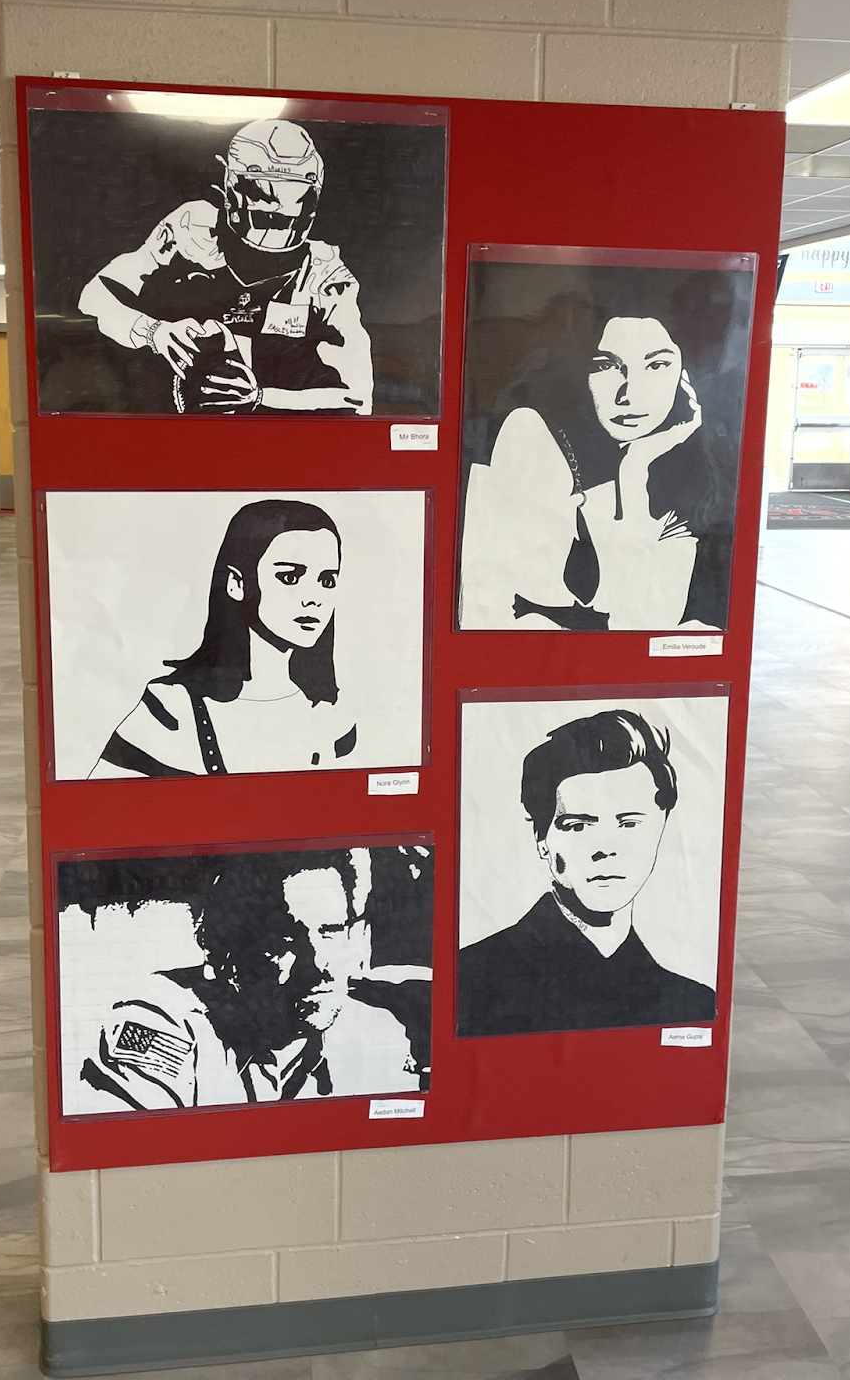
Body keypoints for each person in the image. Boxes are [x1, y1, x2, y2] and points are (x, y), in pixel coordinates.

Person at [81, 849, 431, 1110]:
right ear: (226, 949)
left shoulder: (376, 1033)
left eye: (331, 931)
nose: (317, 964)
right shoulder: (160, 1020)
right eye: (285, 939)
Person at [76, 119, 373, 415]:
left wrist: (260, 397)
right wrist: (153, 332)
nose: (277, 221)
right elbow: (93, 297)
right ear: (231, 187)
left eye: (294, 204)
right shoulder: (192, 228)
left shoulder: (325, 275)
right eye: (263, 199)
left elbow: (358, 398)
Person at [459, 307, 726, 632]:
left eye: (656, 365)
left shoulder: (682, 474)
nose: (629, 394)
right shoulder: (531, 435)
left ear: (684, 377)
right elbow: (499, 606)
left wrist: (635, 467)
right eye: (606, 365)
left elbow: (647, 624)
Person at [457, 709, 716, 1036]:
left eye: (629, 823)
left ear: (661, 826)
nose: (605, 848)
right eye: (578, 825)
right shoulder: (469, 979)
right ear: (541, 840)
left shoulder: (694, 1004)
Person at [91, 500, 358, 779]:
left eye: (327, 581)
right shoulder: (172, 710)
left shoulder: (333, 720)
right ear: (236, 583)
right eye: (290, 577)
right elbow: (106, 802)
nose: (314, 598)